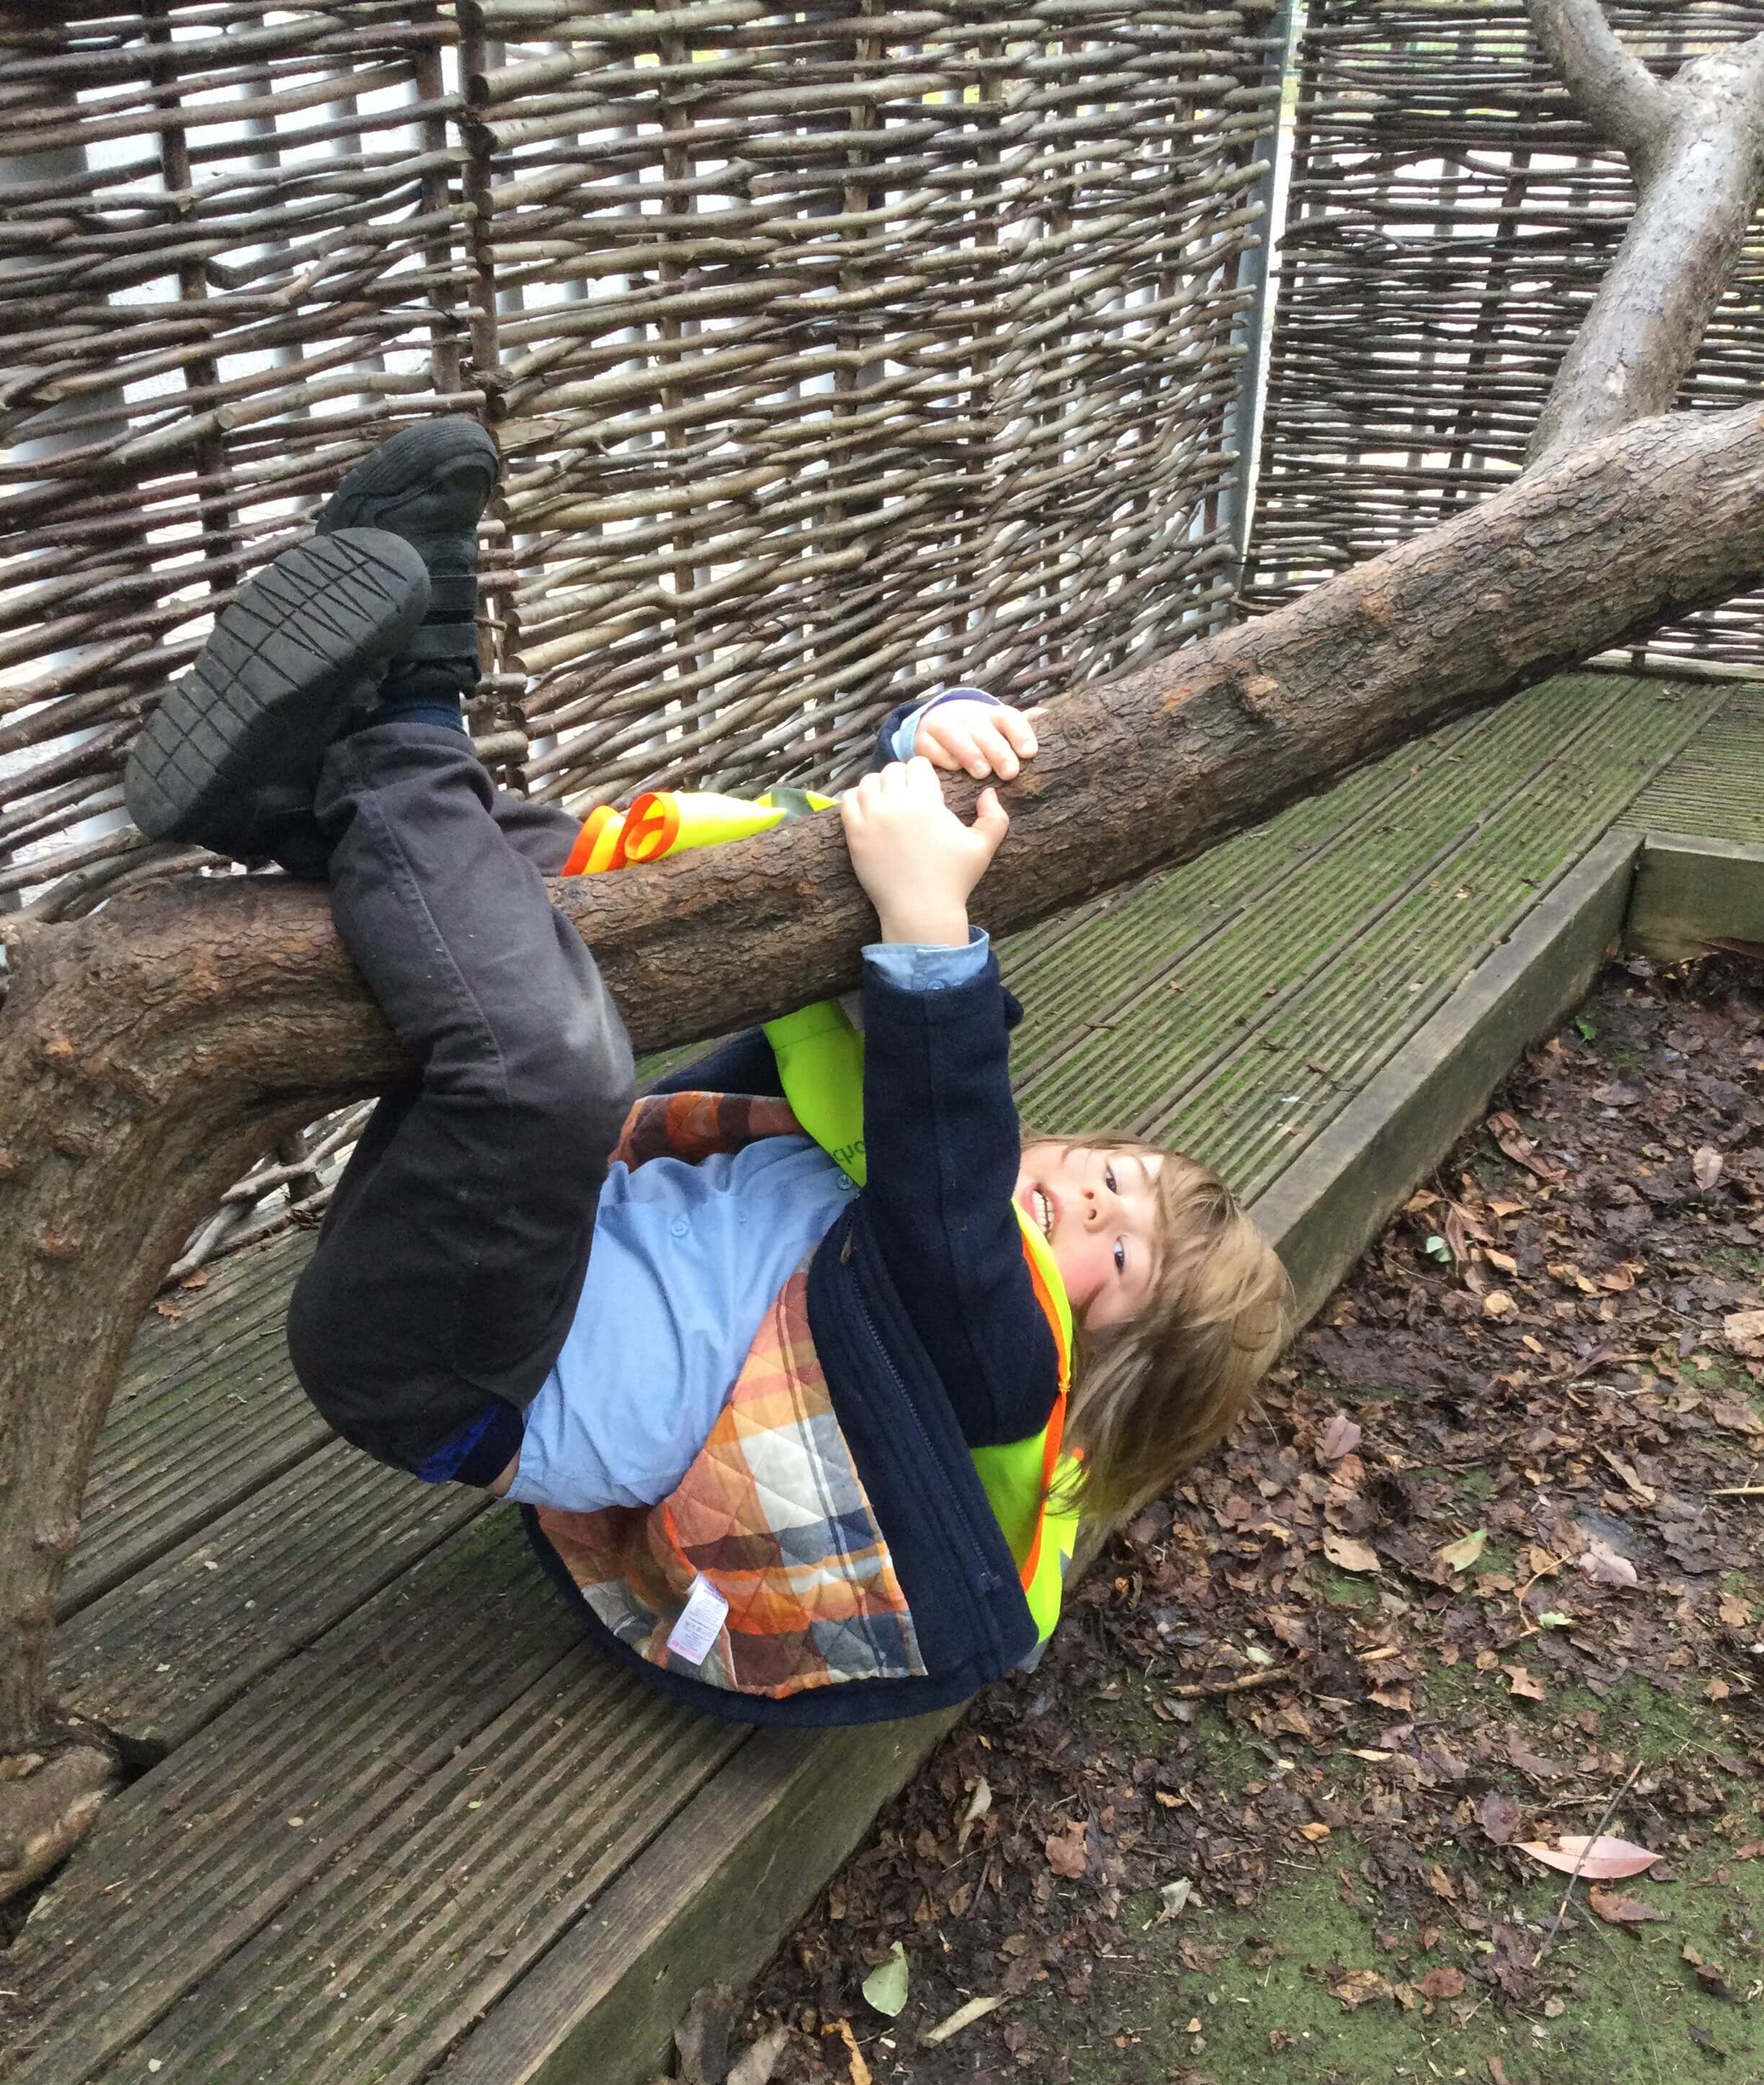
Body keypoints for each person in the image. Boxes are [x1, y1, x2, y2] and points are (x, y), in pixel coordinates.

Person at [126, 421, 1290, 1728]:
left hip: (449, 1366)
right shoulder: (898, 1185)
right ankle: (298, 802)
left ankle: (409, 714)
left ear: (1104, 1374)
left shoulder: (999, 1373)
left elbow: (950, 1158)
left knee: (554, 1070)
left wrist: (930, 932)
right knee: (585, 911)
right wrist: (937, 741)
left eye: (1119, 1257)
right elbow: (867, 967)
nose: (1090, 1203)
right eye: (1115, 1175)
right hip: (501, 1260)